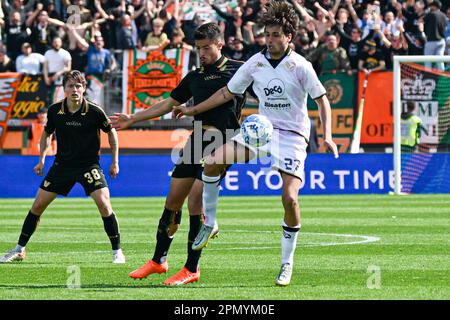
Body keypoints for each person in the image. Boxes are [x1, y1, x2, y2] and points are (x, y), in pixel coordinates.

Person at [174, 1, 339, 287]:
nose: (271, 40)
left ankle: (286, 264)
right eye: (268, 34)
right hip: (262, 132)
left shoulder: (300, 65)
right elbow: (227, 92)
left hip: (292, 136)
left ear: (289, 37)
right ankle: (210, 222)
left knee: (290, 198)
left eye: (276, 35)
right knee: (213, 161)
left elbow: (322, 100)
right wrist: (192, 110)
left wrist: (327, 137)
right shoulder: (255, 63)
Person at [110, 22, 246, 286]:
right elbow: (168, 103)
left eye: (207, 48)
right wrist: (133, 118)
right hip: (197, 139)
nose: (202, 53)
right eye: (199, 49)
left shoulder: (239, 71)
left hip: (223, 141)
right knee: (173, 201)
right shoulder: (194, 76)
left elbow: (263, 94)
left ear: (220, 44)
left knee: (195, 199)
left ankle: (191, 268)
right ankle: (158, 261)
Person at [0, 70, 125, 264]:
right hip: (62, 165)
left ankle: (117, 251)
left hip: (89, 165)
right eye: (70, 86)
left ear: (83, 88)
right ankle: (19, 249)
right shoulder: (55, 110)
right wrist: (41, 160)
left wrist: (115, 162)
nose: (74, 89)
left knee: (104, 204)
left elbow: (111, 133)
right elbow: (46, 134)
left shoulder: (94, 111)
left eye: (78, 86)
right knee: (37, 206)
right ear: (64, 89)